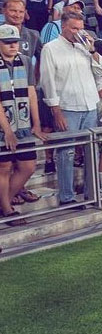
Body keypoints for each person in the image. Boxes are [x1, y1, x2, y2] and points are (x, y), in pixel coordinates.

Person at [40, 10, 102, 206]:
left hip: (89, 105)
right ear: (64, 27)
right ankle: (67, 197)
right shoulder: (50, 49)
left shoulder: (85, 48)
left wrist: (92, 51)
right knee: (66, 152)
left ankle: (91, 193)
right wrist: (55, 109)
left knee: (91, 151)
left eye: (80, 28)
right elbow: (47, 81)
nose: (78, 32)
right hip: (67, 107)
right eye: (74, 28)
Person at [0, 24, 44, 226]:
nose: (12, 46)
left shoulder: (25, 61)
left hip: (24, 123)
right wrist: (7, 130)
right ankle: (7, 209)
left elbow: (31, 92)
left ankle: (4, 202)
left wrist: (37, 123)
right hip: (3, 126)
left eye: (14, 42)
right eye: (7, 43)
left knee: (28, 166)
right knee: (5, 166)